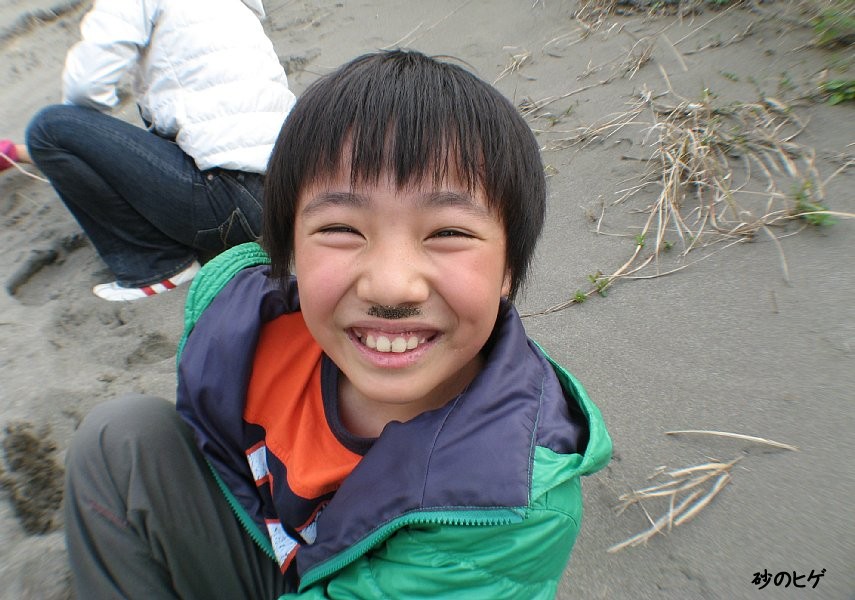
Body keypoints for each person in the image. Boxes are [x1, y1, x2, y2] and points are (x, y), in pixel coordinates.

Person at [63, 50, 612, 598]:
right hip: (270, 550)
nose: (391, 286)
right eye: (342, 229)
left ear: (509, 268)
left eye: (449, 233)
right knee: (123, 438)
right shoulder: (251, 336)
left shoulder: (511, 499)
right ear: (289, 251)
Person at [14, 0, 296, 301]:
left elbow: (85, 88)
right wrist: (23, 154)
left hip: (226, 208)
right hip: (283, 196)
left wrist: (66, 149)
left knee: (48, 128)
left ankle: (156, 264)